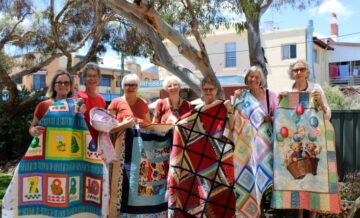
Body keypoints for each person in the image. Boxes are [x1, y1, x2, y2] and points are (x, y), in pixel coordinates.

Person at [278, 59, 333, 218]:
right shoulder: (287, 91)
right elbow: (281, 118)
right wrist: (280, 101)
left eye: (302, 69)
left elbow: (327, 115)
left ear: (307, 72)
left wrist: (320, 101)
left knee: (314, 180)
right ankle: (300, 215)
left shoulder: (316, 89)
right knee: (298, 180)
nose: (299, 72)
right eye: (295, 70)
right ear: (292, 73)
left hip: (314, 142)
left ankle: (313, 215)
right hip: (295, 143)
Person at [29, 70, 75, 136]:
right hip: (48, 145)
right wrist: (33, 130)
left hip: (69, 145)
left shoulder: (75, 107)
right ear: (54, 86)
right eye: (59, 82)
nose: (63, 85)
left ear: (70, 86)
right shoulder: (43, 105)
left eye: (66, 83)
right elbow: (32, 127)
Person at [74, 62, 106, 145]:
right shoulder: (78, 97)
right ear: (84, 78)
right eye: (89, 76)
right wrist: (78, 113)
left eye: (94, 76)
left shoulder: (101, 100)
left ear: (99, 79)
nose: (92, 78)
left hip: (98, 144)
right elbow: (72, 119)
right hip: (81, 143)